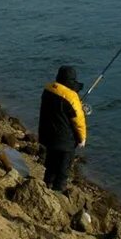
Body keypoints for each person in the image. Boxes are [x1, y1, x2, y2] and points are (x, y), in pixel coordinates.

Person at [37, 65, 87, 193]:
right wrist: (82, 139)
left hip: (48, 136)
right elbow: (79, 121)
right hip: (65, 141)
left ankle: (46, 185)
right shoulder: (72, 98)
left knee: (50, 164)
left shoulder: (48, 89)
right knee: (63, 169)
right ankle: (57, 192)